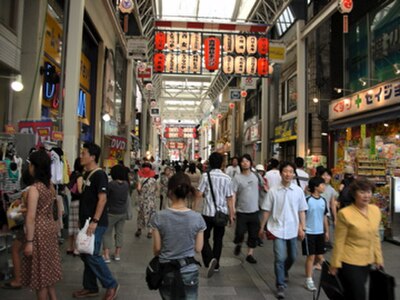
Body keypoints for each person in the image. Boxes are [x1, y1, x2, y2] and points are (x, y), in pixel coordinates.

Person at [73, 143, 119, 300]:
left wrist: (94, 221)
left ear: (92, 157)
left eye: (84, 153)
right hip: (86, 221)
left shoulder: (100, 175)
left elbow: (102, 199)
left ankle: (111, 284)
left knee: (92, 254)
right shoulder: (86, 174)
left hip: (96, 223)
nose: (81, 155)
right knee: (86, 254)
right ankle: (90, 287)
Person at [150, 172, 206, 300]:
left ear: (170, 192)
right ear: (188, 192)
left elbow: (157, 249)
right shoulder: (197, 218)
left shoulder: (158, 217)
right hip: (189, 270)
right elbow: (198, 248)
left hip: (166, 269)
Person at [259, 161, 308, 299]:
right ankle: (280, 284)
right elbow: (266, 210)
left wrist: (302, 227)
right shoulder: (273, 191)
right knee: (279, 258)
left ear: (293, 174)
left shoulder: (298, 191)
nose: (288, 174)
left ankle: (284, 271)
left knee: (292, 256)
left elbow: (302, 211)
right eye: (285, 171)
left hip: (293, 228)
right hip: (276, 228)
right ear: (281, 173)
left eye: (290, 172)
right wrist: (262, 227)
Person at [329, 178, 384, 300]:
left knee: (351, 294)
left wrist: (378, 258)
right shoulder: (345, 213)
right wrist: (335, 263)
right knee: (359, 294)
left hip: (367, 260)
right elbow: (339, 241)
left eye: (369, 192)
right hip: (350, 261)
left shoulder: (375, 210)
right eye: (362, 192)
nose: (366, 195)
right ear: (354, 194)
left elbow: (375, 236)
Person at [21, 149, 62, 299]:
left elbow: (31, 217)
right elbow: (49, 209)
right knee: (48, 273)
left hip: (38, 232)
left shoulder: (34, 189)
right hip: (49, 229)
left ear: (34, 167)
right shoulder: (49, 186)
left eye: (30, 165)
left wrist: (29, 242)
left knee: (40, 278)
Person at [194, 152, 234, 278]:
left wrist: (193, 210)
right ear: (222, 163)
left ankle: (209, 259)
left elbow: (199, 195)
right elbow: (229, 198)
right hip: (222, 214)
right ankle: (215, 264)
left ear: (210, 163)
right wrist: (232, 215)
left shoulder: (205, 176)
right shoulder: (227, 178)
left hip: (207, 213)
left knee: (204, 238)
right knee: (218, 239)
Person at [231, 154, 260, 264]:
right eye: (242, 161)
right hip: (242, 211)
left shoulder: (256, 176)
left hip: (254, 210)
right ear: (240, 164)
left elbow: (264, 186)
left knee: (253, 234)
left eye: (247, 161)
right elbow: (233, 193)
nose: (245, 163)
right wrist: (233, 208)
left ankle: (249, 254)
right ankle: (238, 244)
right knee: (240, 233)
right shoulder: (237, 178)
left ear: (251, 163)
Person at [302, 177, 329, 292]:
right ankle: (309, 280)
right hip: (309, 233)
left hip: (320, 232)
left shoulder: (323, 200)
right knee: (311, 256)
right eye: (322, 185)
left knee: (320, 256)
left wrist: (326, 231)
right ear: (316, 187)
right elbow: (302, 215)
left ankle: (329, 275)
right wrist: (301, 229)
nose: (324, 186)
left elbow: (324, 217)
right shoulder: (307, 200)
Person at [102, 164, 130, 263]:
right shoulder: (126, 184)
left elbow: (105, 197)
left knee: (107, 233)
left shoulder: (111, 184)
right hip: (122, 212)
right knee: (119, 233)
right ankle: (117, 254)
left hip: (111, 212)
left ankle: (106, 255)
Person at [317, 167, 339, 248]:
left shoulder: (331, 189)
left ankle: (322, 249)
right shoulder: (316, 187)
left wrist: (335, 219)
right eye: (324, 175)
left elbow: (332, 205)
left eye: (328, 175)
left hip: (327, 215)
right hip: (317, 214)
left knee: (327, 235)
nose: (326, 177)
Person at [66, 158, 84, 256]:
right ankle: (77, 249)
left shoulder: (73, 174)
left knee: (71, 225)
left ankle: (70, 247)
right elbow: (80, 190)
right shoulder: (80, 176)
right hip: (78, 202)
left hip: (72, 202)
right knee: (77, 225)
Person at [136, 162, 157, 238]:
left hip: (142, 200)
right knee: (151, 215)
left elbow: (138, 189)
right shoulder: (153, 180)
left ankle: (139, 229)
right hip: (151, 200)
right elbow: (156, 189)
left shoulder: (140, 180)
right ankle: (150, 232)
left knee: (140, 215)